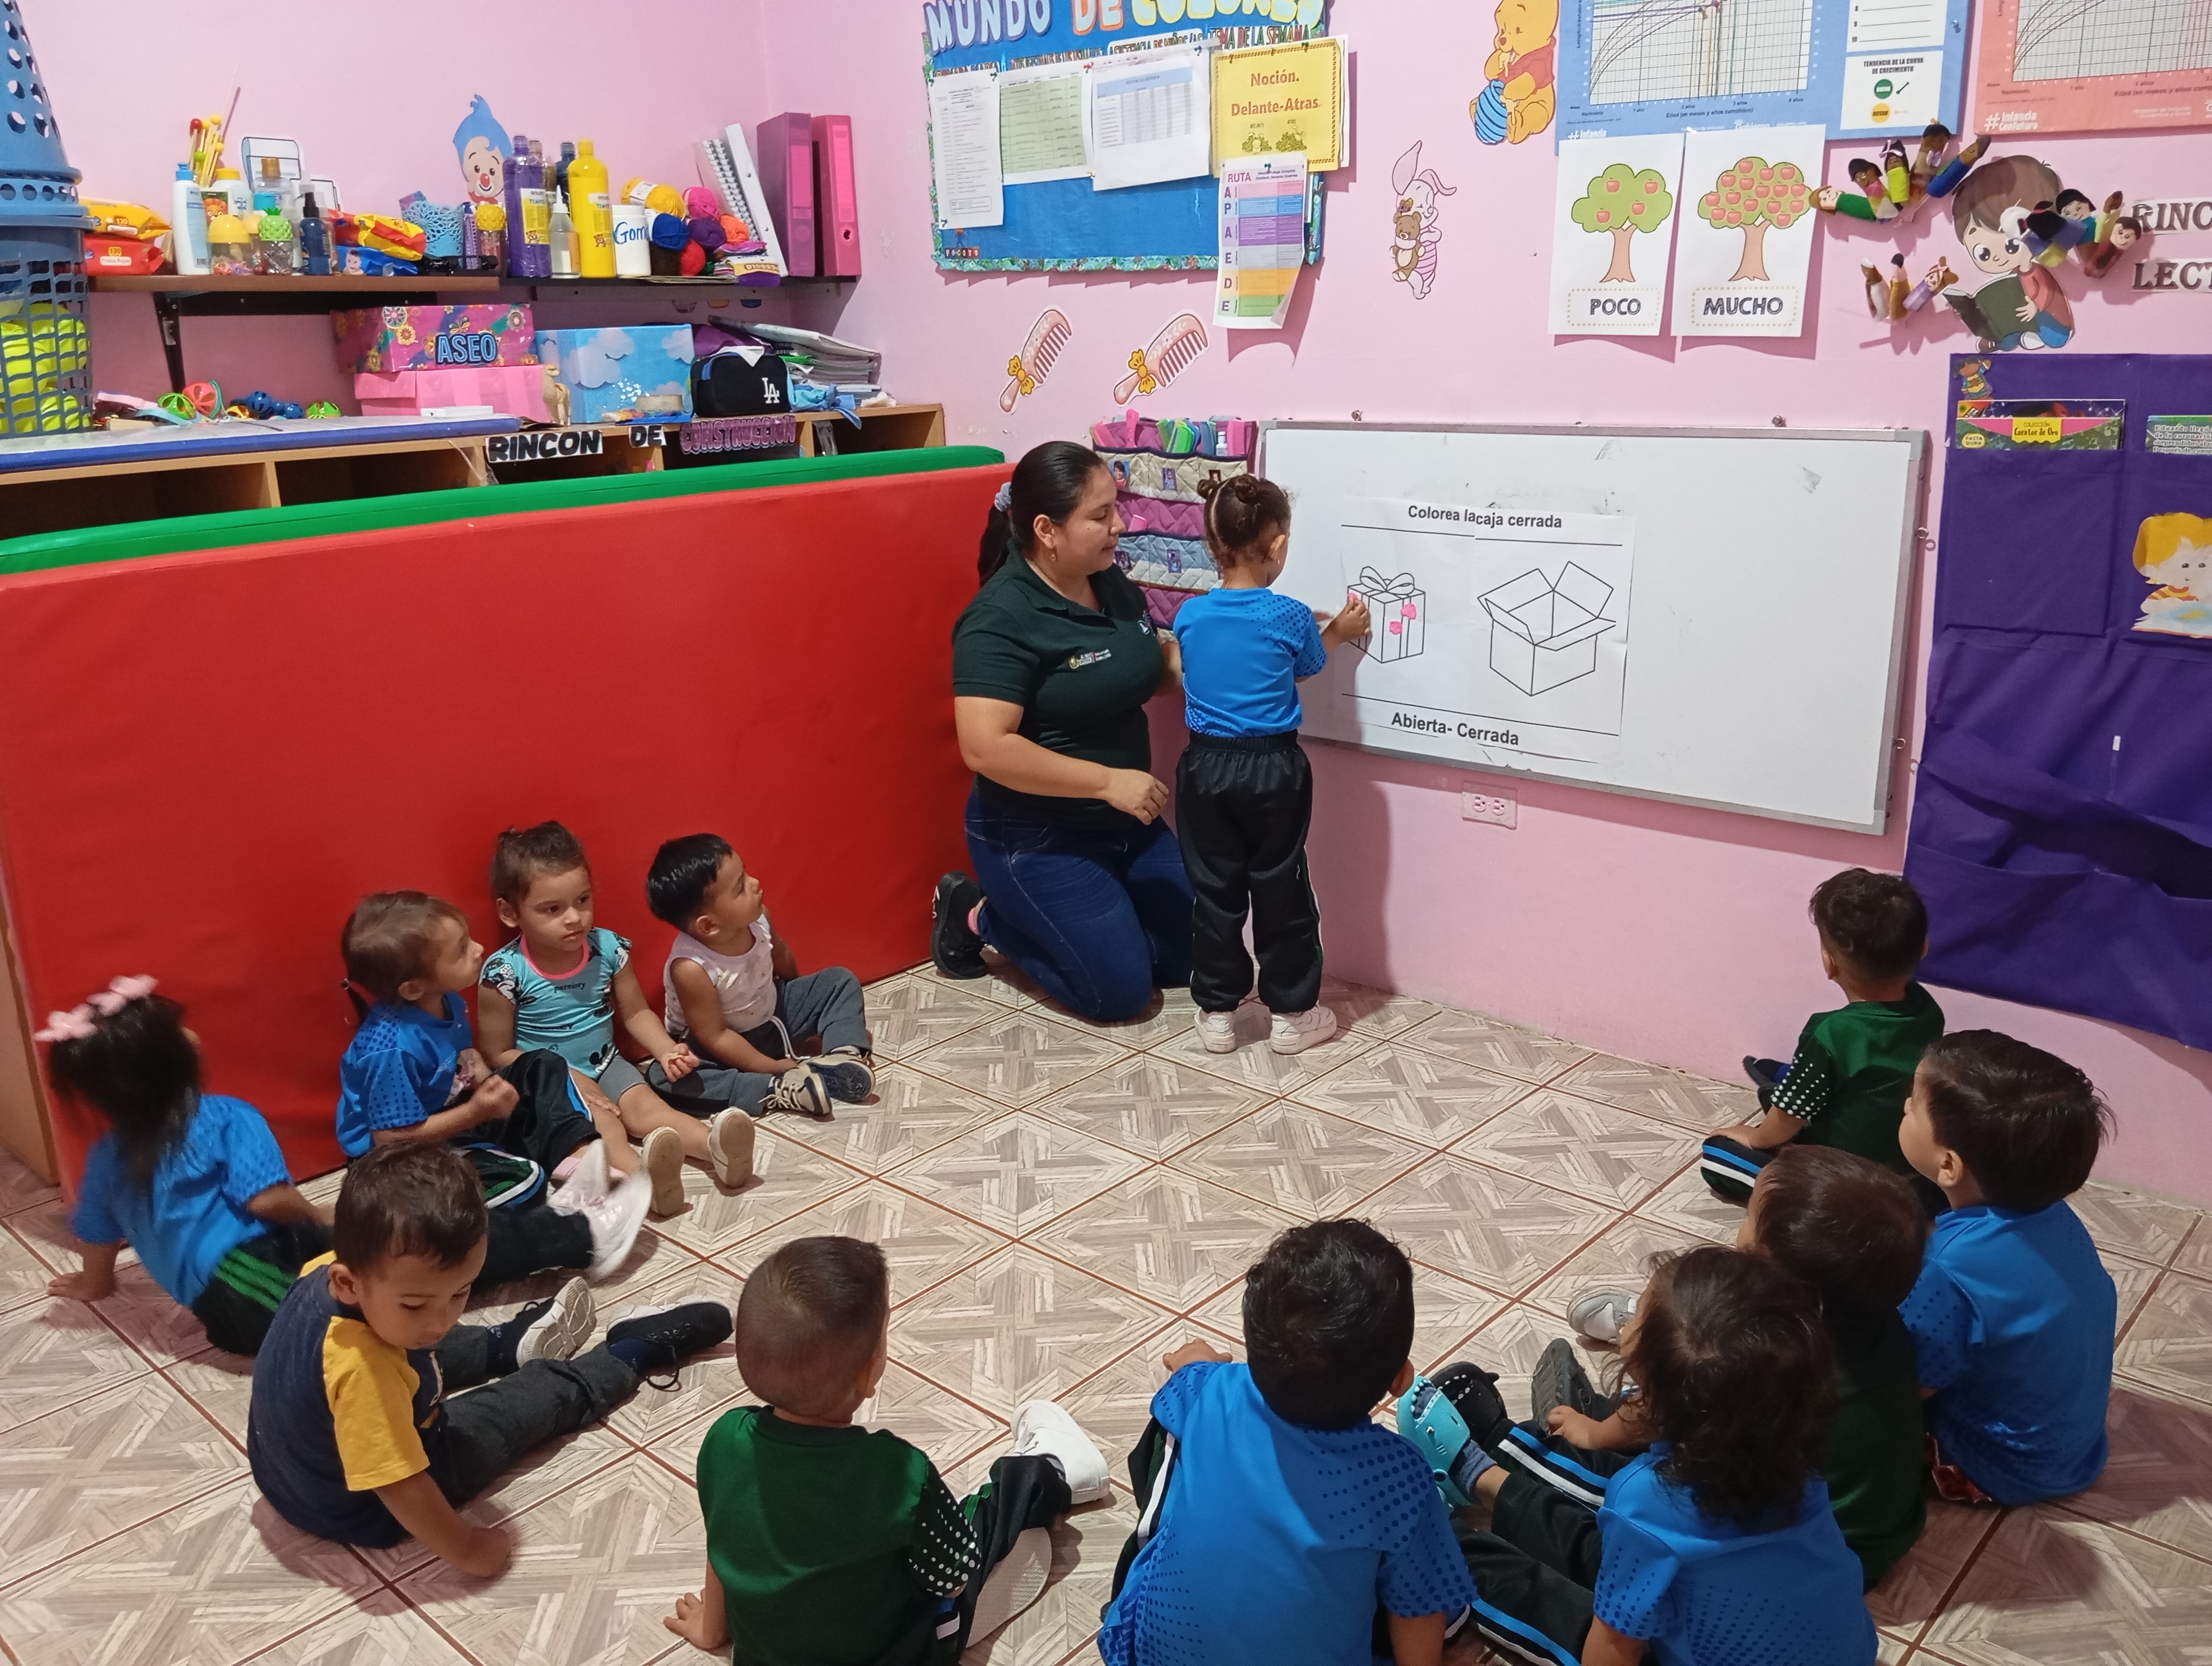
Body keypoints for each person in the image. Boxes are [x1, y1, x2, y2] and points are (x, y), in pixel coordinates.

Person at [247, 1142, 731, 1573]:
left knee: (412, 1337)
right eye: (416, 1303)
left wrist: (415, 1312)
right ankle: (628, 1351)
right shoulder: (364, 1371)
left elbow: (395, 1330)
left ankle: (506, 1342)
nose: (441, 1319)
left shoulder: (325, 1272)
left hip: (282, 1478)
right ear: (349, 1283)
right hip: (359, 1508)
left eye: (461, 1293)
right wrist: (469, 1550)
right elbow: (401, 1487)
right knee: (510, 1411)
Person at [1413, 1247, 1877, 1666]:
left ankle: (1444, 1546)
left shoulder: (1644, 1502)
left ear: (1649, 1400)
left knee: (1569, 1609)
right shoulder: (1798, 1456)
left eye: (1637, 1311)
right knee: (1635, 1557)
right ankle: (1487, 1472)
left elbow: (1614, 1649)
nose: (1627, 1316)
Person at [666, 1236, 1109, 1663]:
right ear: (868, 1374)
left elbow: (722, 1538)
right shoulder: (897, 1471)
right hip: (901, 1651)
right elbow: (953, 1579)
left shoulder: (724, 1439)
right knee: (988, 1512)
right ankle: (1055, 1469)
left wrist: (713, 1626)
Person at [1097, 1220, 1477, 1666]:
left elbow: (1188, 1376)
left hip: (1150, 1657)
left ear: (1251, 1337)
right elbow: (1421, 1607)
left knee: (1172, 1436)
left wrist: (1195, 1361)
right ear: (1400, 1379)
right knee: (1440, 1588)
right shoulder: (1399, 1476)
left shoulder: (1208, 1390)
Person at [1554, 1146, 1931, 1588]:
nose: (1740, 1229)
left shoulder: (1765, 1365)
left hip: (1793, 1557)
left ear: (1773, 1271)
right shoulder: (1873, 1313)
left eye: (1749, 1217)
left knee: (1621, 1484)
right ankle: (1664, 1321)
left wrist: (1593, 1435)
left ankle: (1660, 1330)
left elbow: (1660, 1412)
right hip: (1882, 1533)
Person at [931, 441, 1195, 1023]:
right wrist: (1106, 782)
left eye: (1116, 508)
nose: (1120, 525)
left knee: (1198, 957)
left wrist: (1240, 650)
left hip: (1127, 823)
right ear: (1047, 530)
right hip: (1036, 834)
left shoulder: (1109, 580)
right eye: (1101, 515)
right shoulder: (998, 619)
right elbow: (985, 748)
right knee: (1118, 995)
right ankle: (981, 914)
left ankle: (1103, 922)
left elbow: (1147, 671)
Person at [336, 890, 653, 1287]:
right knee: (524, 1181)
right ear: (413, 988)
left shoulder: (447, 1000)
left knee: (542, 1064)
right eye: (461, 950)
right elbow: (390, 1139)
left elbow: (460, 1058)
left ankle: (573, 1160)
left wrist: (487, 1083)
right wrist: (477, 1111)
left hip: (455, 1117)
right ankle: (567, 1224)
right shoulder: (390, 1051)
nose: (479, 950)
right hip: (398, 1161)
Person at [1171, 474, 1369, 1056]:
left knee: (1215, 890)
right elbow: (1304, 666)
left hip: (1204, 767)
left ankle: (1217, 1011)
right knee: (1282, 885)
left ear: (1214, 544)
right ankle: (1292, 1013)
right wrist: (1339, 631)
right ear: (1278, 545)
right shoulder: (1290, 615)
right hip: (1272, 767)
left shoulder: (1189, 616)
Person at [37, 976, 331, 1357]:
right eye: (176, 1031)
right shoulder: (227, 1116)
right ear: (171, 1060)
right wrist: (318, 1215)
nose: (190, 1033)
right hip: (253, 1274)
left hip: (219, 1309)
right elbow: (268, 1200)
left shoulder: (105, 1156)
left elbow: (98, 1233)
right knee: (361, 1288)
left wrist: (95, 1283)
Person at [1898, 1030, 2117, 1505]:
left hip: (1993, 1467)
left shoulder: (1949, 1269)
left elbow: (1913, 1384)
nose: (1905, 1106)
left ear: (1949, 1165)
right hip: (2073, 1451)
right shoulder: (2058, 1216)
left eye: (1913, 1106)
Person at [478, 822, 718, 1217]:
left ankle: (716, 1146)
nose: (575, 918)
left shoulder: (607, 948)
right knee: (607, 1127)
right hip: (553, 1085)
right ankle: (647, 1183)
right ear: (510, 913)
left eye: (583, 900)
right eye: (553, 909)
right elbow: (498, 1053)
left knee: (650, 1109)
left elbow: (636, 1012)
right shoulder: (505, 973)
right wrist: (567, 1077)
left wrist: (665, 1050)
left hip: (607, 1061)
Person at [1702, 868, 1944, 1208]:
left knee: (1717, 1154)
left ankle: (1785, 1084)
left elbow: (1791, 1118)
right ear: (1924, 948)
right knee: (1819, 1077)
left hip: (1842, 1176)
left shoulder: (1831, 1033)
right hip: (1905, 1165)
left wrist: (1756, 1138)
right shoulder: (1928, 1009)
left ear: (1830, 964)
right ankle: (1786, 1078)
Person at [642, 834, 874, 1127]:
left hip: (772, 1015)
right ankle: (775, 1089)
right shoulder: (691, 968)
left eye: (746, 874)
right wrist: (771, 1068)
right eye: (740, 888)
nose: (755, 884)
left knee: (839, 981)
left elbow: (783, 961)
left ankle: (843, 1055)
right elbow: (715, 1036)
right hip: (718, 1048)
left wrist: (807, 1008)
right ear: (709, 925)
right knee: (664, 1078)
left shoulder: (759, 918)